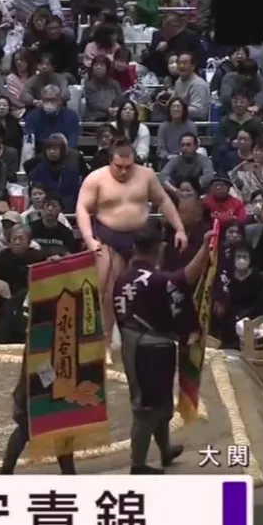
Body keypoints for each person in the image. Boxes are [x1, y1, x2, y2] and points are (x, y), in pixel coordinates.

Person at [76, 140, 188, 368]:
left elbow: (163, 200)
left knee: (148, 289)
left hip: (141, 240)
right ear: (111, 161)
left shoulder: (146, 175)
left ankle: (148, 338)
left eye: (128, 167)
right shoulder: (96, 178)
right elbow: (82, 208)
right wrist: (89, 238)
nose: (124, 172)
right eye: (119, 167)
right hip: (109, 238)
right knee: (108, 293)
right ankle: (106, 343)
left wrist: (180, 228)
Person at [116, 224, 214, 474]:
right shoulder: (155, 280)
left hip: (138, 347)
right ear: (158, 249)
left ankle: (165, 450)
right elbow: (186, 277)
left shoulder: (123, 279)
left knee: (160, 405)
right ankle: (138, 464)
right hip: (149, 350)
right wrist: (205, 248)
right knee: (147, 409)